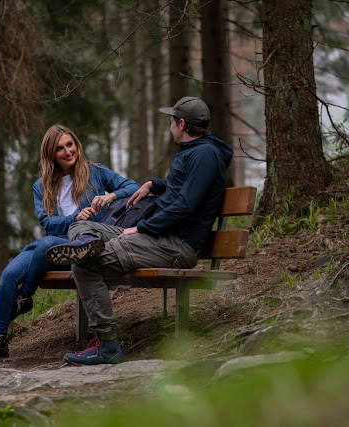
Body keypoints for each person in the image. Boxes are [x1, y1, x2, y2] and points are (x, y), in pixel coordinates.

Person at [45, 97, 233, 366]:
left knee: (83, 265)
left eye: (171, 120)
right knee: (80, 224)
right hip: (159, 236)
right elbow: (181, 192)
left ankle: (108, 346)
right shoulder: (198, 152)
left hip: (174, 244)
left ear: (181, 124)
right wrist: (153, 185)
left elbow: (185, 205)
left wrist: (141, 228)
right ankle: (87, 242)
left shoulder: (204, 155)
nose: (170, 126)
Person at [0, 124, 139, 369]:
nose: (68, 151)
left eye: (70, 144)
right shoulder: (41, 186)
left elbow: (132, 186)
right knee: (8, 275)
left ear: (76, 144)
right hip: (52, 243)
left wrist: (110, 196)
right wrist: (74, 218)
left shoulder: (95, 172)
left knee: (45, 244)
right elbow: (47, 222)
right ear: (51, 154)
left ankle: (25, 297)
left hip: (83, 243)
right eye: (60, 148)